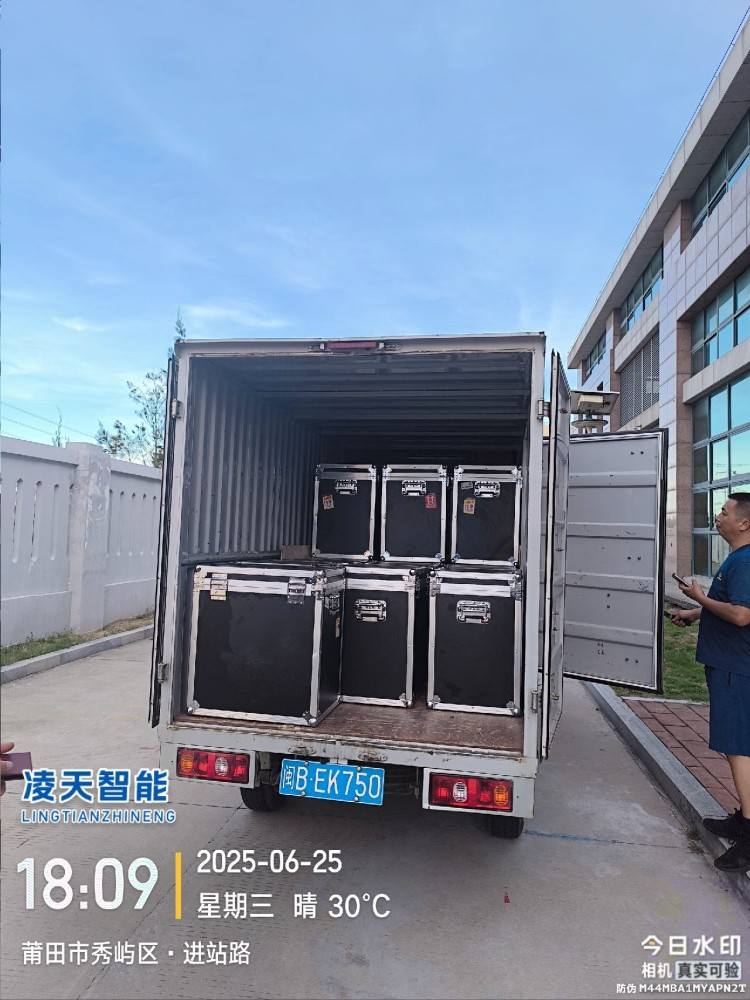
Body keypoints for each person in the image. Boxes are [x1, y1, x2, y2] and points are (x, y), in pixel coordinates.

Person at [670, 492, 750, 874]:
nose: (718, 516)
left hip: (736, 668)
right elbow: (729, 606)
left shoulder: (745, 561)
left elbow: (741, 615)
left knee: (739, 748)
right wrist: (694, 611)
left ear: (744, 523)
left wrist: (700, 597)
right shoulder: (736, 558)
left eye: (724, 512)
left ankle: (748, 836)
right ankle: (742, 817)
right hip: (727, 666)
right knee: (735, 747)